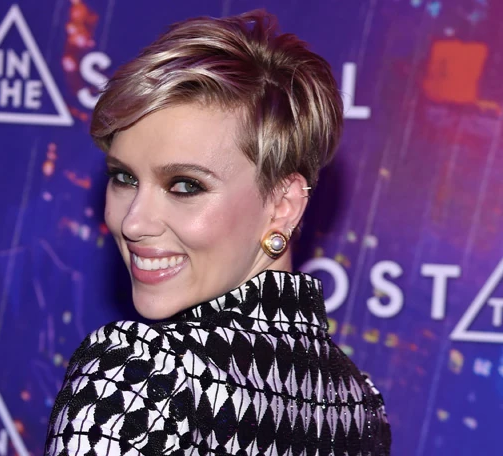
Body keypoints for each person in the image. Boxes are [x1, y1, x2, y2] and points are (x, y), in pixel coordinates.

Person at [44, 9, 391, 456]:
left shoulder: (142, 376)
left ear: (282, 205)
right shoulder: (357, 404)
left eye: (185, 186)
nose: (133, 222)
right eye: (124, 178)